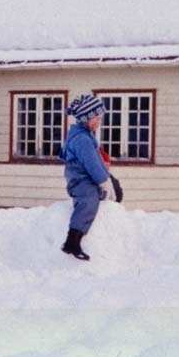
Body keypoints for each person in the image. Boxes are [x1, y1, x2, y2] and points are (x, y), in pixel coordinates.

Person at [58, 94, 113, 261]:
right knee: (89, 200)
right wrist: (103, 181)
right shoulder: (82, 139)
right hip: (80, 181)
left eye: (100, 118)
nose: (99, 122)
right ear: (86, 119)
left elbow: (96, 161)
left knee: (115, 188)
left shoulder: (86, 135)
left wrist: (109, 180)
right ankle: (72, 241)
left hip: (89, 176)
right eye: (96, 118)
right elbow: (92, 164)